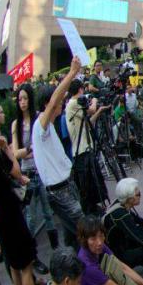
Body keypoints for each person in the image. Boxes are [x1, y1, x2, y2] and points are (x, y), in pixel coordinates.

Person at [0, 114, 40, 285]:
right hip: (11, 211)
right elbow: (18, 173)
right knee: (26, 266)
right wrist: (7, 149)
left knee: (14, 266)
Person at [32, 57, 84, 249]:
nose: (62, 102)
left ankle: (74, 270)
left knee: (72, 236)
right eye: (58, 100)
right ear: (49, 104)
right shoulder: (41, 125)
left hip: (66, 185)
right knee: (84, 232)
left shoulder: (46, 127)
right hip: (58, 190)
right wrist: (72, 73)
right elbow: (55, 98)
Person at [12, 83, 60, 257]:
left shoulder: (39, 118)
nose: (22, 102)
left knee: (49, 213)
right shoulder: (15, 124)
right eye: (19, 99)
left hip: (42, 171)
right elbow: (16, 153)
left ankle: (56, 250)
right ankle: (32, 255)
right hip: (27, 175)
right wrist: (31, 150)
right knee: (31, 218)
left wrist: (29, 151)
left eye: (25, 98)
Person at [65, 78, 110, 214]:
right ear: (80, 89)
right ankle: (90, 215)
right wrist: (95, 101)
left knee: (94, 186)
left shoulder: (75, 104)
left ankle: (96, 210)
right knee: (87, 189)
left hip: (86, 149)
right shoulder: (73, 103)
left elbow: (88, 121)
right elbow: (90, 110)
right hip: (81, 151)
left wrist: (99, 110)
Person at [104, 178, 143, 268]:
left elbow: (134, 216)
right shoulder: (122, 216)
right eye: (138, 194)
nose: (140, 196)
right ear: (130, 199)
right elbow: (139, 239)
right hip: (119, 254)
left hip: (122, 241)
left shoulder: (120, 202)